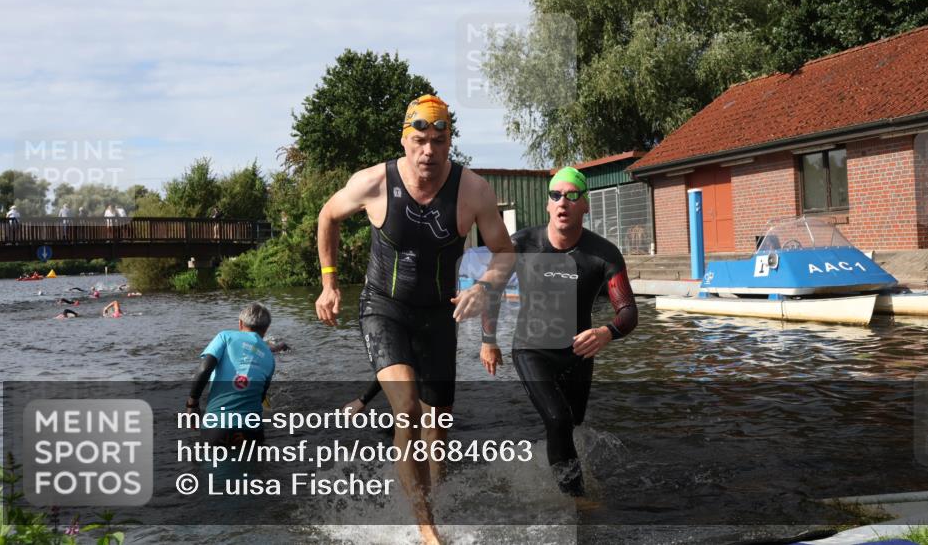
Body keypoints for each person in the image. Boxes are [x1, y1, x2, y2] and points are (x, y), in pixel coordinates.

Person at [314, 94, 514, 545]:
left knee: (437, 426)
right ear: (405, 140)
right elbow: (328, 216)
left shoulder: (473, 190)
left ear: (449, 143)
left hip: (439, 315)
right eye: (419, 140)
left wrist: (483, 286)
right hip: (383, 308)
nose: (428, 151)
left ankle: (428, 502)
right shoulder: (374, 182)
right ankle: (427, 531)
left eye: (438, 142)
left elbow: (505, 252)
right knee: (405, 409)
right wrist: (329, 283)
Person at [480, 167, 638, 499]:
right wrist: (488, 340)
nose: (563, 202)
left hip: (579, 352)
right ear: (548, 205)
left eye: (572, 195)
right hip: (531, 349)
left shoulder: (603, 254)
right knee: (557, 418)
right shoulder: (522, 243)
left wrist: (607, 333)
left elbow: (627, 311)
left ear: (585, 206)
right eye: (556, 195)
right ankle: (577, 502)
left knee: (572, 422)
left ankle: (553, 468)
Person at [186, 302, 275, 446]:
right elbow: (261, 396)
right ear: (266, 329)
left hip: (217, 427)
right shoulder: (270, 357)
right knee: (254, 466)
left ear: (240, 323)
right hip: (252, 431)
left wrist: (192, 404)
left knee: (207, 466)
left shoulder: (225, 337)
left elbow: (204, 369)